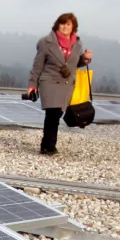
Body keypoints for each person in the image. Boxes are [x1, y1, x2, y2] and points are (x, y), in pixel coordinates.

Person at [27, 12, 93, 154]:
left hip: (67, 83)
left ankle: (46, 144)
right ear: (57, 24)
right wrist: (32, 85)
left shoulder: (77, 43)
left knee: (56, 114)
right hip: (49, 82)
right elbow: (37, 66)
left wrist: (85, 59)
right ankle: (49, 146)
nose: (65, 27)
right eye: (62, 23)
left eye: (68, 24)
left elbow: (74, 63)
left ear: (73, 26)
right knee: (53, 113)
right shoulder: (46, 42)